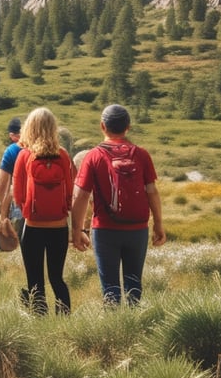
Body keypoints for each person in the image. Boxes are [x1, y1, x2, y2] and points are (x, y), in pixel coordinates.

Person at [70, 104, 166, 305]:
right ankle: (135, 329)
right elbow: (152, 192)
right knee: (134, 285)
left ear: (102, 126)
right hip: (137, 230)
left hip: (105, 230)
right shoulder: (141, 155)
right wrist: (158, 223)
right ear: (128, 127)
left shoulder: (93, 156)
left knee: (110, 289)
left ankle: (115, 332)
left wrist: (77, 230)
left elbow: (80, 196)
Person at [12, 107, 74, 315]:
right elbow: (70, 191)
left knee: (35, 279)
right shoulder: (63, 156)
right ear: (53, 128)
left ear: (29, 128)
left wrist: (30, 209)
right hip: (59, 227)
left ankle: (39, 320)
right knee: (57, 277)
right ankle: (64, 320)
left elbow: (18, 195)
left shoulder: (24, 156)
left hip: (33, 227)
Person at [0, 117, 24, 247]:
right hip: (51, 212)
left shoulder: (12, 150)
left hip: (21, 206)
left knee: (20, 250)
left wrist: (5, 213)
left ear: (12, 135)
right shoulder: (47, 147)